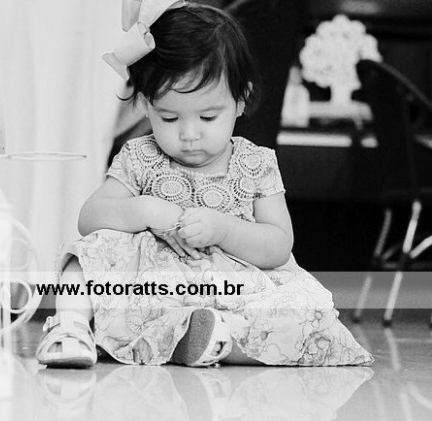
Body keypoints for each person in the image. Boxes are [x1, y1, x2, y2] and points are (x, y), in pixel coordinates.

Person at [36, 0, 374, 368]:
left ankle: (217, 337)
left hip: (236, 293)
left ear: (240, 101)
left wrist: (224, 229)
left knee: (302, 311)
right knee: (89, 252)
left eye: (208, 117)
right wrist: (147, 210)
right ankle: (71, 328)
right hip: (155, 292)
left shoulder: (255, 163)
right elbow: (89, 218)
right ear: (146, 106)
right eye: (169, 118)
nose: (189, 134)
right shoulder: (140, 156)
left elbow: (278, 245)